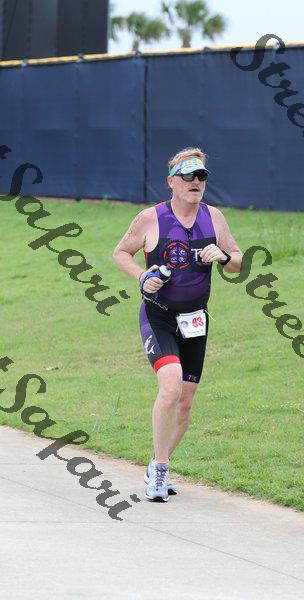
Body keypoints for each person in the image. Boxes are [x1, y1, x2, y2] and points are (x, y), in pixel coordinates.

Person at [113, 147, 243, 501]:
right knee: (170, 386)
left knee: (185, 402)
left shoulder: (214, 217)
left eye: (201, 176)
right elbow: (121, 252)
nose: (195, 182)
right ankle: (160, 471)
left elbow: (238, 263)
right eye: (187, 176)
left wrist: (225, 257)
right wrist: (142, 277)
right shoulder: (150, 218)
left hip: (196, 320)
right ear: (171, 181)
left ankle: (159, 462)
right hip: (159, 316)